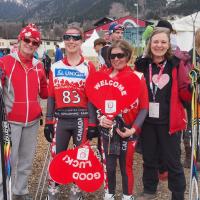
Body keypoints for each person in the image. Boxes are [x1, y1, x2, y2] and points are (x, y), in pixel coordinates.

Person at [135, 27, 191, 200]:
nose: (159, 45)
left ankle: (178, 194)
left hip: (169, 122)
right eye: (155, 41)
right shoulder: (142, 64)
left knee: (173, 161)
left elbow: (184, 91)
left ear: (168, 45)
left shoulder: (176, 64)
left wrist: (191, 88)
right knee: (149, 159)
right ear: (150, 43)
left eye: (163, 42)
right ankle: (149, 190)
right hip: (148, 121)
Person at [44, 26, 96, 200]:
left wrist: (93, 124)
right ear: (64, 40)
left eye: (75, 38)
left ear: (81, 41)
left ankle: (76, 189)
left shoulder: (89, 66)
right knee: (57, 156)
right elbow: (51, 97)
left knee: (80, 156)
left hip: (81, 118)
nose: (71, 41)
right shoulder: (55, 67)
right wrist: (49, 121)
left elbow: (92, 98)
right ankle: (53, 188)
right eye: (68, 37)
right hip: (61, 119)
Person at [0, 24, 48, 200]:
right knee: (7, 162)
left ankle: (20, 192)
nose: (30, 44)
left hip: (32, 121)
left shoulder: (39, 66)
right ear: (20, 40)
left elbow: (45, 92)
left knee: (26, 161)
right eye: (27, 40)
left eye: (35, 42)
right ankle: (4, 193)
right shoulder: (5, 62)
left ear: (37, 46)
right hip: (10, 122)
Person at [96, 40, 148, 200]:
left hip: (128, 130)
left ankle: (127, 196)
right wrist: (101, 118)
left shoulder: (138, 77)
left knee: (126, 167)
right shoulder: (103, 76)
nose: (116, 59)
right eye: (113, 56)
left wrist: (133, 130)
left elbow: (144, 107)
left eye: (120, 55)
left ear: (128, 56)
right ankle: (109, 194)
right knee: (109, 167)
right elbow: (96, 101)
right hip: (108, 129)